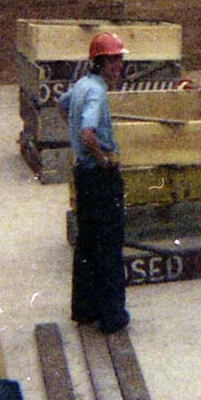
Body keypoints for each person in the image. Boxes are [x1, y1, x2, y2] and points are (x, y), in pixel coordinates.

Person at [58, 31, 131, 333]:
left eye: (120, 61)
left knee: (87, 243)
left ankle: (85, 310)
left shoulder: (81, 86)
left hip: (82, 176)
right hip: (99, 176)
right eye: (115, 61)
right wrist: (103, 160)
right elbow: (88, 133)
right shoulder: (97, 92)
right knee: (109, 246)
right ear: (103, 63)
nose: (120, 67)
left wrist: (77, 136)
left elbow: (63, 105)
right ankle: (112, 316)